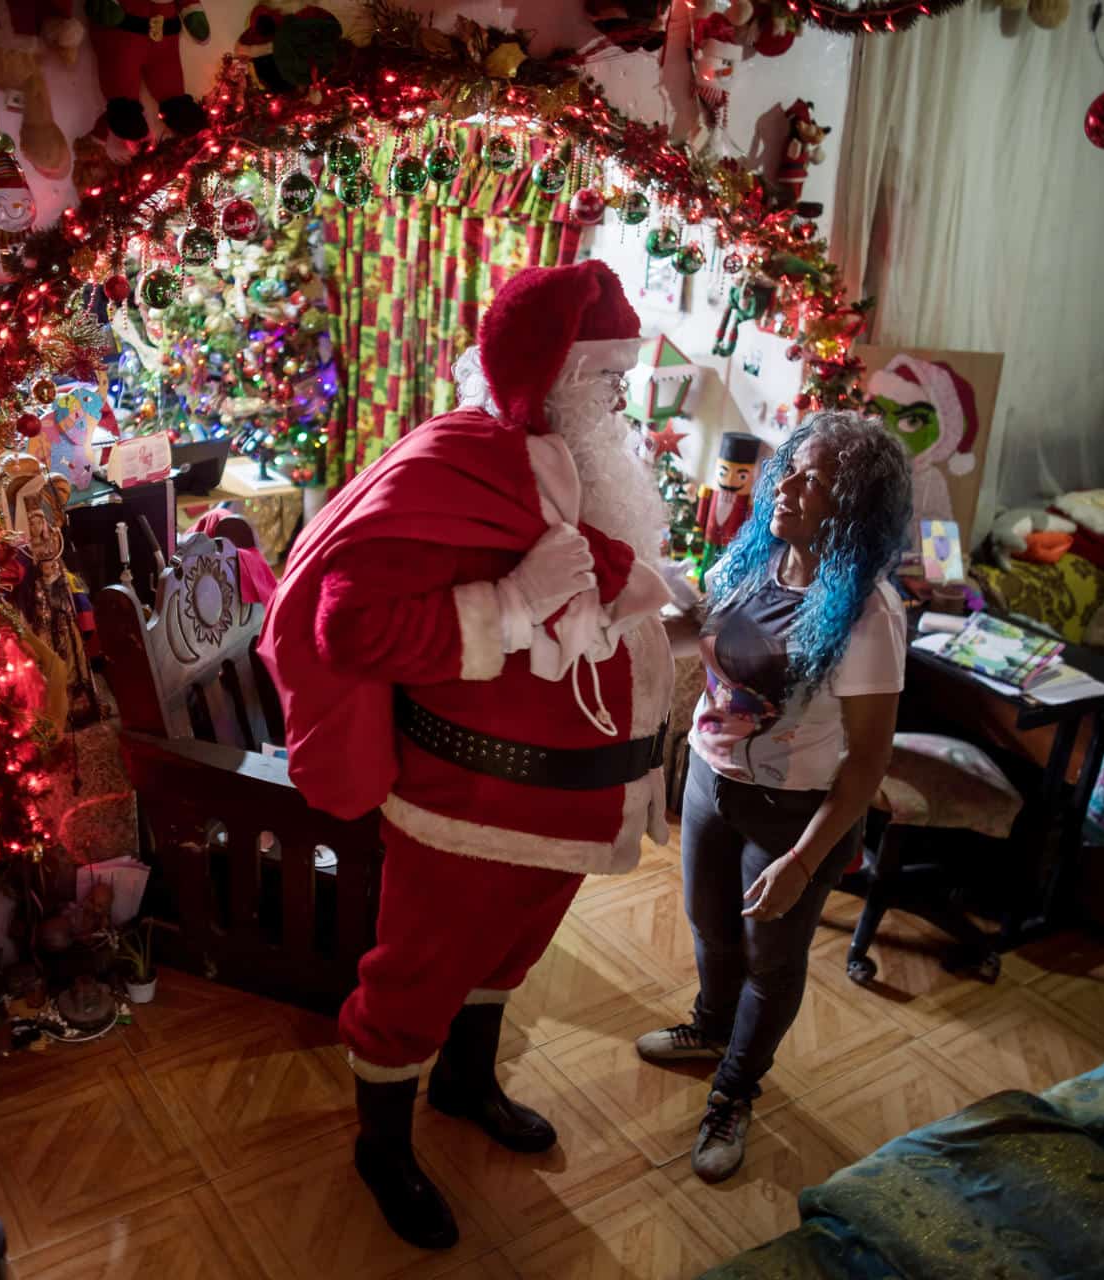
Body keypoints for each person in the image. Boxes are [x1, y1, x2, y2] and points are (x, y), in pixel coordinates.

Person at [260, 260, 694, 1250]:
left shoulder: (579, 469)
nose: (619, 401)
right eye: (606, 381)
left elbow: (608, 590)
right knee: (415, 978)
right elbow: (354, 628)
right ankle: (383, 1148)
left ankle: (464, 1079)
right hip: (467, 806)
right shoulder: (457, 461)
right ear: (551, 378)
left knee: (509, 956)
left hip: (573, 808)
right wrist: (511, 601)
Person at [636, 410, 913, 1184]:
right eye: (789, 468)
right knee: (708, 926)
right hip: (708, 780)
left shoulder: (867, 614)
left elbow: (867, 762)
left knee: (771, 960)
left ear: (851, 507)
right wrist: (635, 617)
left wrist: (800, 861)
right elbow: (696, 635)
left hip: (795, 812)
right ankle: (709, 1027)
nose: (782, 485)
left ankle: (733, 1093)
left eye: (812, 479)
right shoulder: (749, 561)